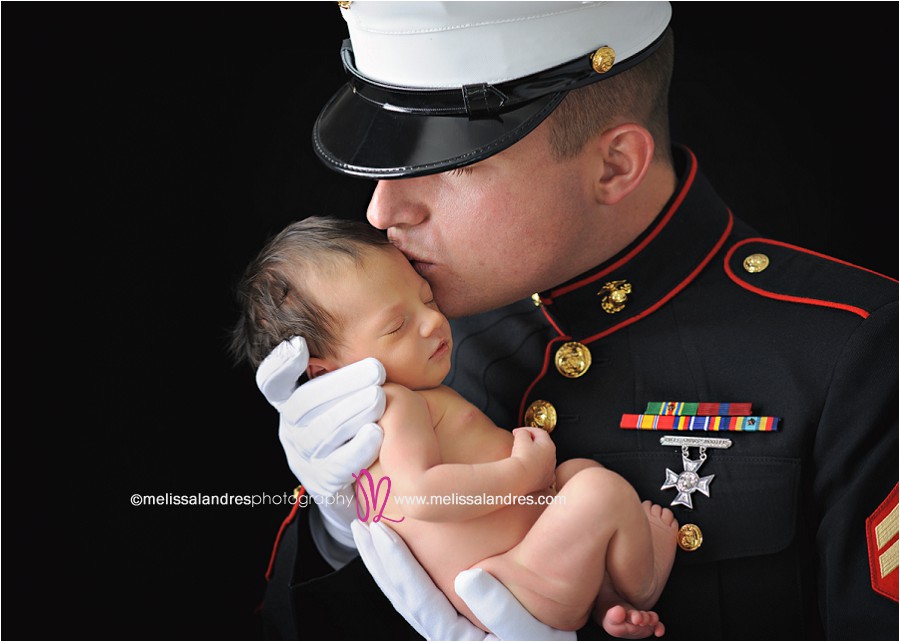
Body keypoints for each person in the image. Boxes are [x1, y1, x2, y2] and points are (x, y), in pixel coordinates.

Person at [251, 2, 899, 640]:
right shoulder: (425, 331)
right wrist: (342, 536)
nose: (381, 208)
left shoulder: (857, 346)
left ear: (614, 164)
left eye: (453, 162)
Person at [233, 216, 679, 637]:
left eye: (426, 298)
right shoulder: (394, 404)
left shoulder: (412, 395)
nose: (433, 320)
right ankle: (643, 581)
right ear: (324, 376)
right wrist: (522, 471)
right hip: (512, 582)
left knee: (577, 475)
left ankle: (608, 604)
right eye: (396, 326)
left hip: (531, 565)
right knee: (600, 491)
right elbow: (423, 494)